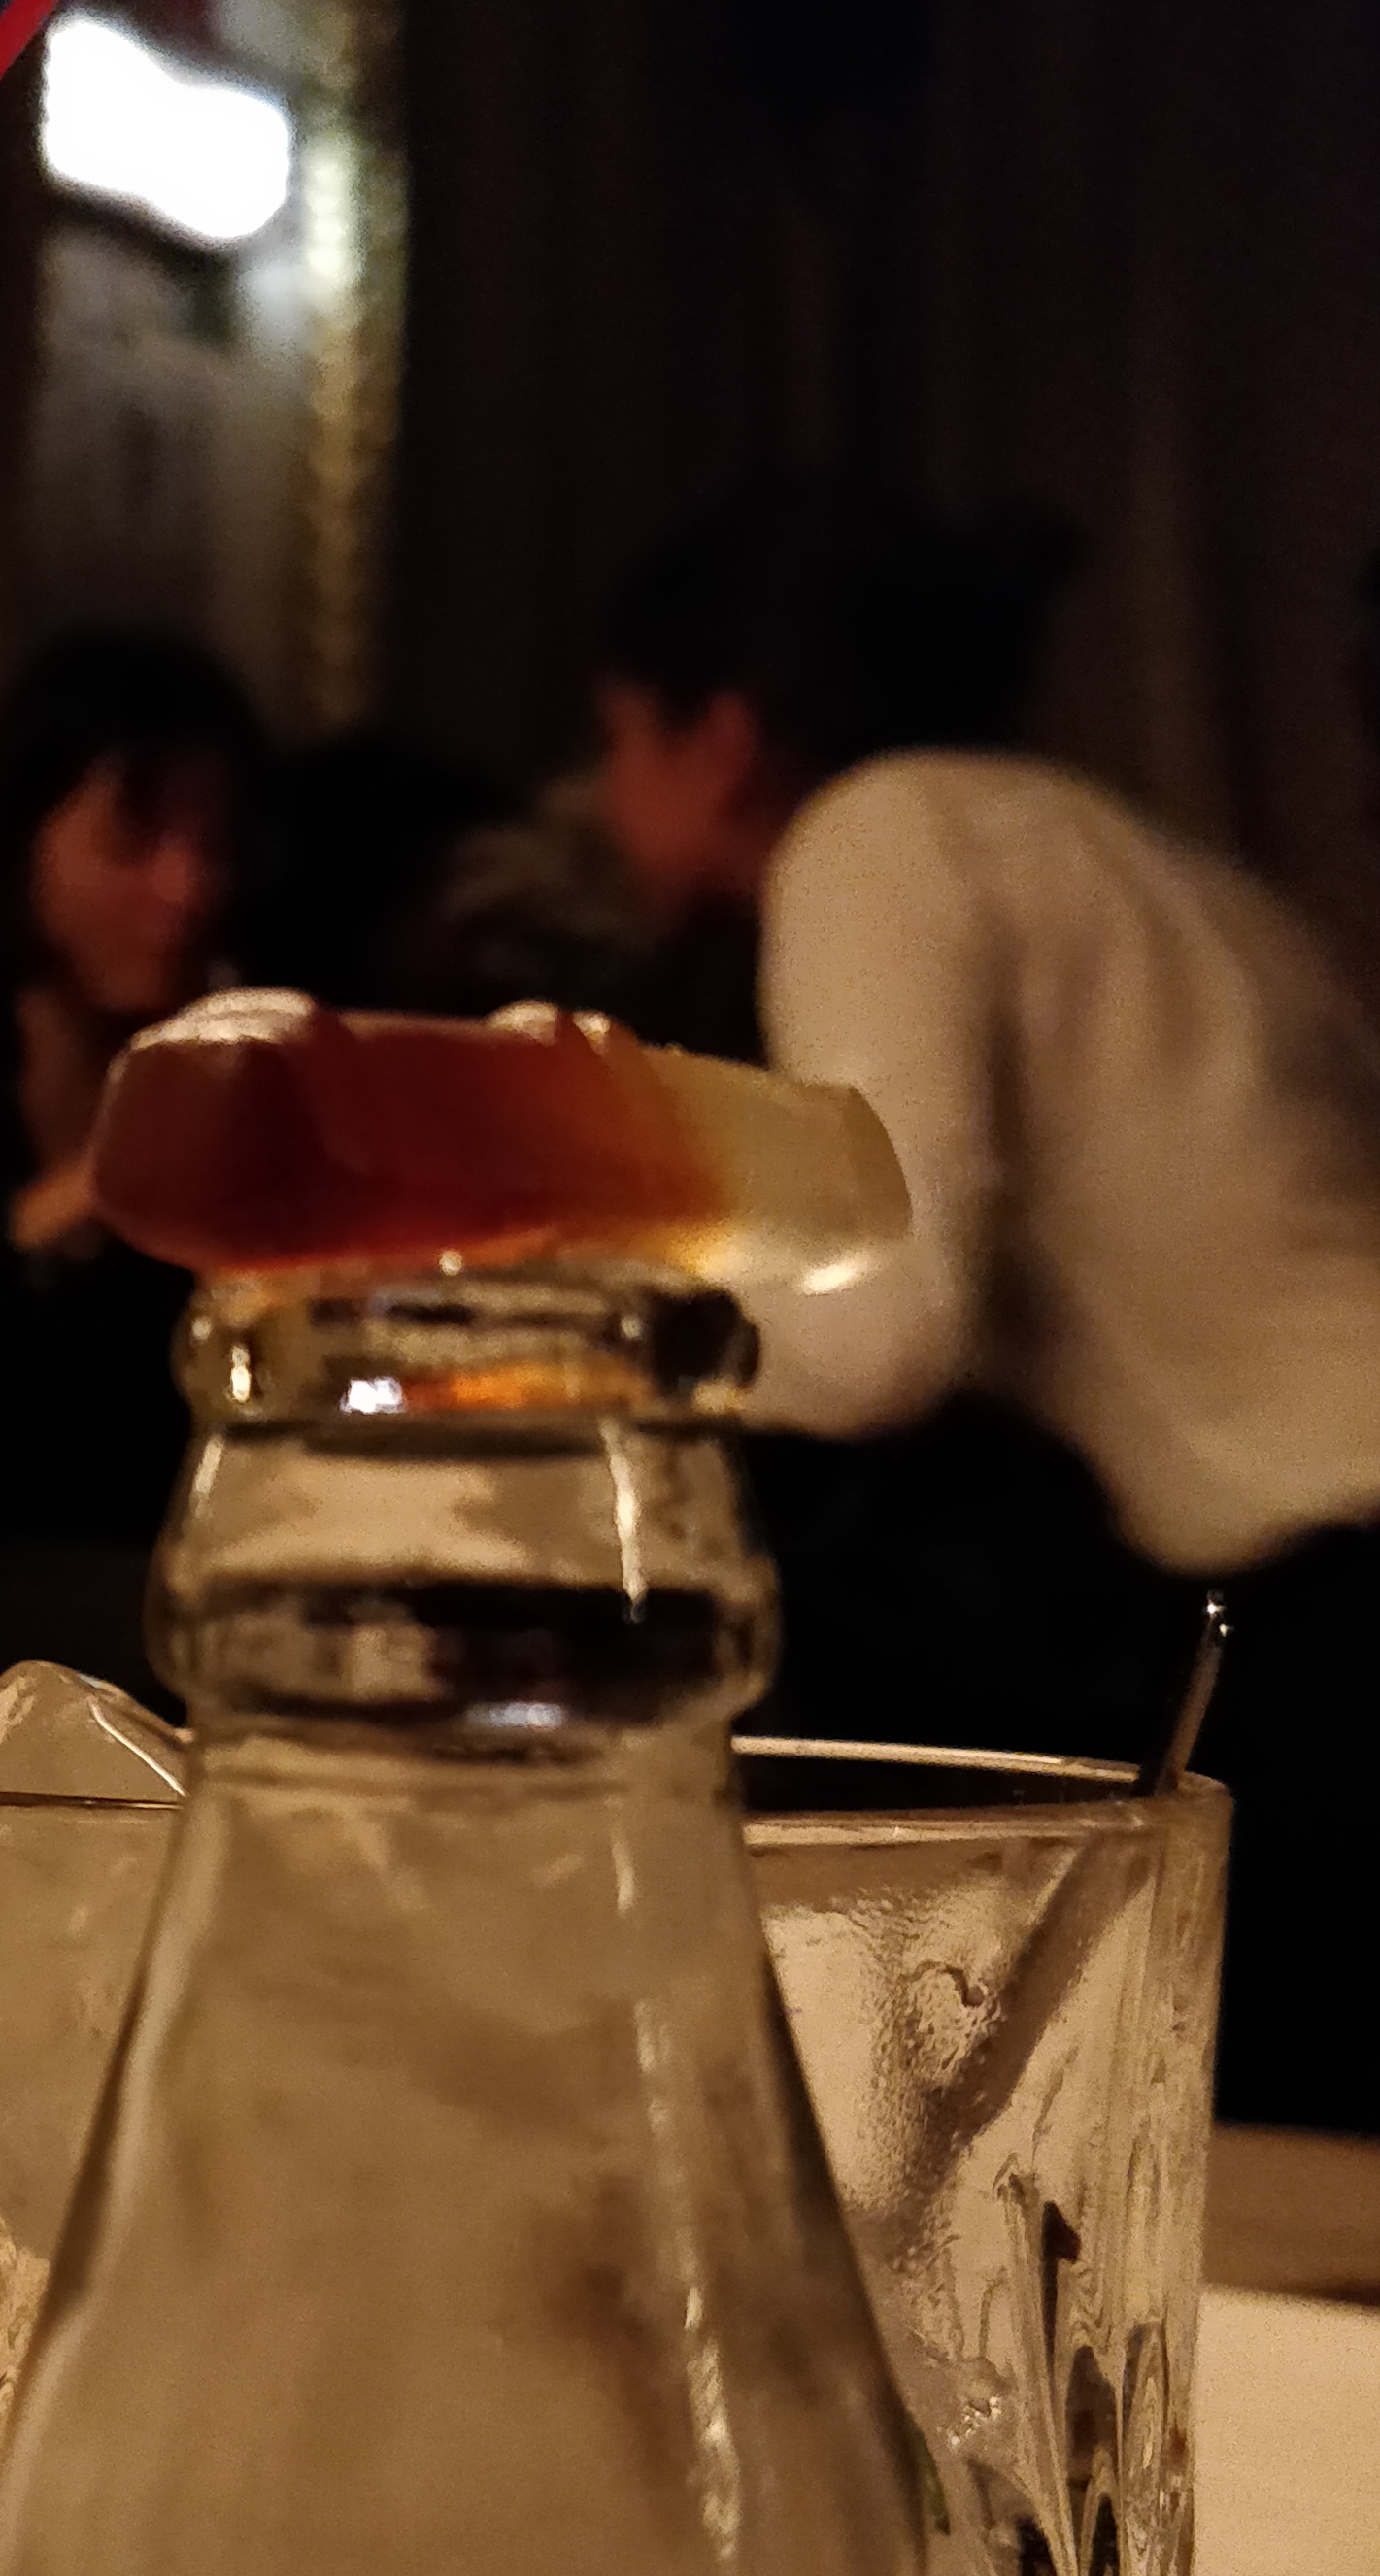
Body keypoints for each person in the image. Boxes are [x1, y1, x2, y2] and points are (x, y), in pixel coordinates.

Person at [590, 481, 1380, 2125]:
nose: (603, 799)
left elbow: (887, 1329)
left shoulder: (878, 837)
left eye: (617, 742)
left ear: (718, 740)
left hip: (1341, 1603)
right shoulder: (1132, 849)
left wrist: (585, 1308)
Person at [0, 630, 273, 1722]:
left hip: (146, 1561)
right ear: (24, 832)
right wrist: (89, 1191)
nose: (187, 888)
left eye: (214, 845)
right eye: (136, 839)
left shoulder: (234, 1070)